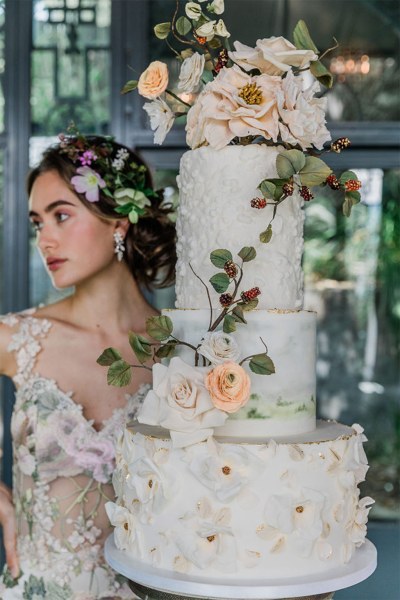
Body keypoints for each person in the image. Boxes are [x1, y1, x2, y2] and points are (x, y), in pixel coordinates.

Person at [0, 129, 176, 598]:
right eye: (38, 223)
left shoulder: (184, 351)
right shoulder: (17, 337)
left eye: (61, 216)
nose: (45, 240)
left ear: (118, 221)